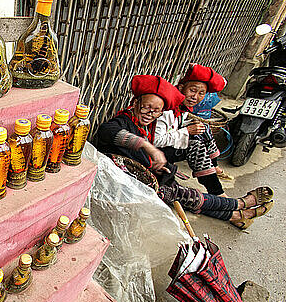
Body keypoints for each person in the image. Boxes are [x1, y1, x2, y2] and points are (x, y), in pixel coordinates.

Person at [95, 74, 273, 230]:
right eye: (146, 107)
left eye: (156, 111)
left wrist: (156, 166)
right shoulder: (123, 121)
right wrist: (148, 147)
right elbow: (108, 132)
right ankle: (239, 204)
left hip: (142, 177)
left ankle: (235, 216)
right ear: (135, 103)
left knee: (181, 194)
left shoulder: (146, 125)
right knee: (182, 194)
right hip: (118, 183)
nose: (150, 114)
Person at [154, 64, 232, 197]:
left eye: (201, 93)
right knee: (195, 145)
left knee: (203, 128)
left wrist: (189, 128)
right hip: (153, 154)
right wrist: (187, 132)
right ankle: (217, 192)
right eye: (192, 90)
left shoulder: (182, 107)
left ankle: (214, 166)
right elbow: (155, 140)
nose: (195, 97)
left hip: (164, 147)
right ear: (181, 88)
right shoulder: (168, 109)